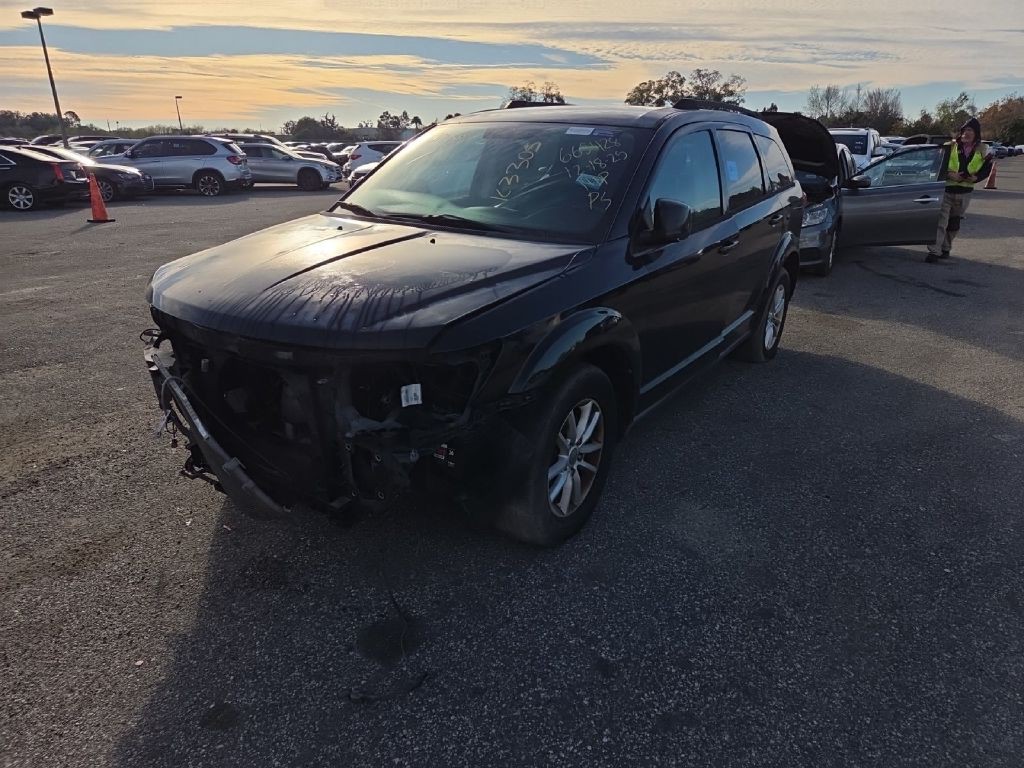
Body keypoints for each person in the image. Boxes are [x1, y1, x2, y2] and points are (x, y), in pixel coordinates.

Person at [926, 117, 993, 263]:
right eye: (964, 130)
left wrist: (976, 178)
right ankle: (934, 252)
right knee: (940, 222)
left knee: (954, 224)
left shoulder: (983, 149)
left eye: (970, 130)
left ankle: (945, 248)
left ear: (976, 133)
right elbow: (935, 165)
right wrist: (950, 174)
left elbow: (988, 169)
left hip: (965, 192)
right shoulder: (949, 146)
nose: (966, 133)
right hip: (947, 189)